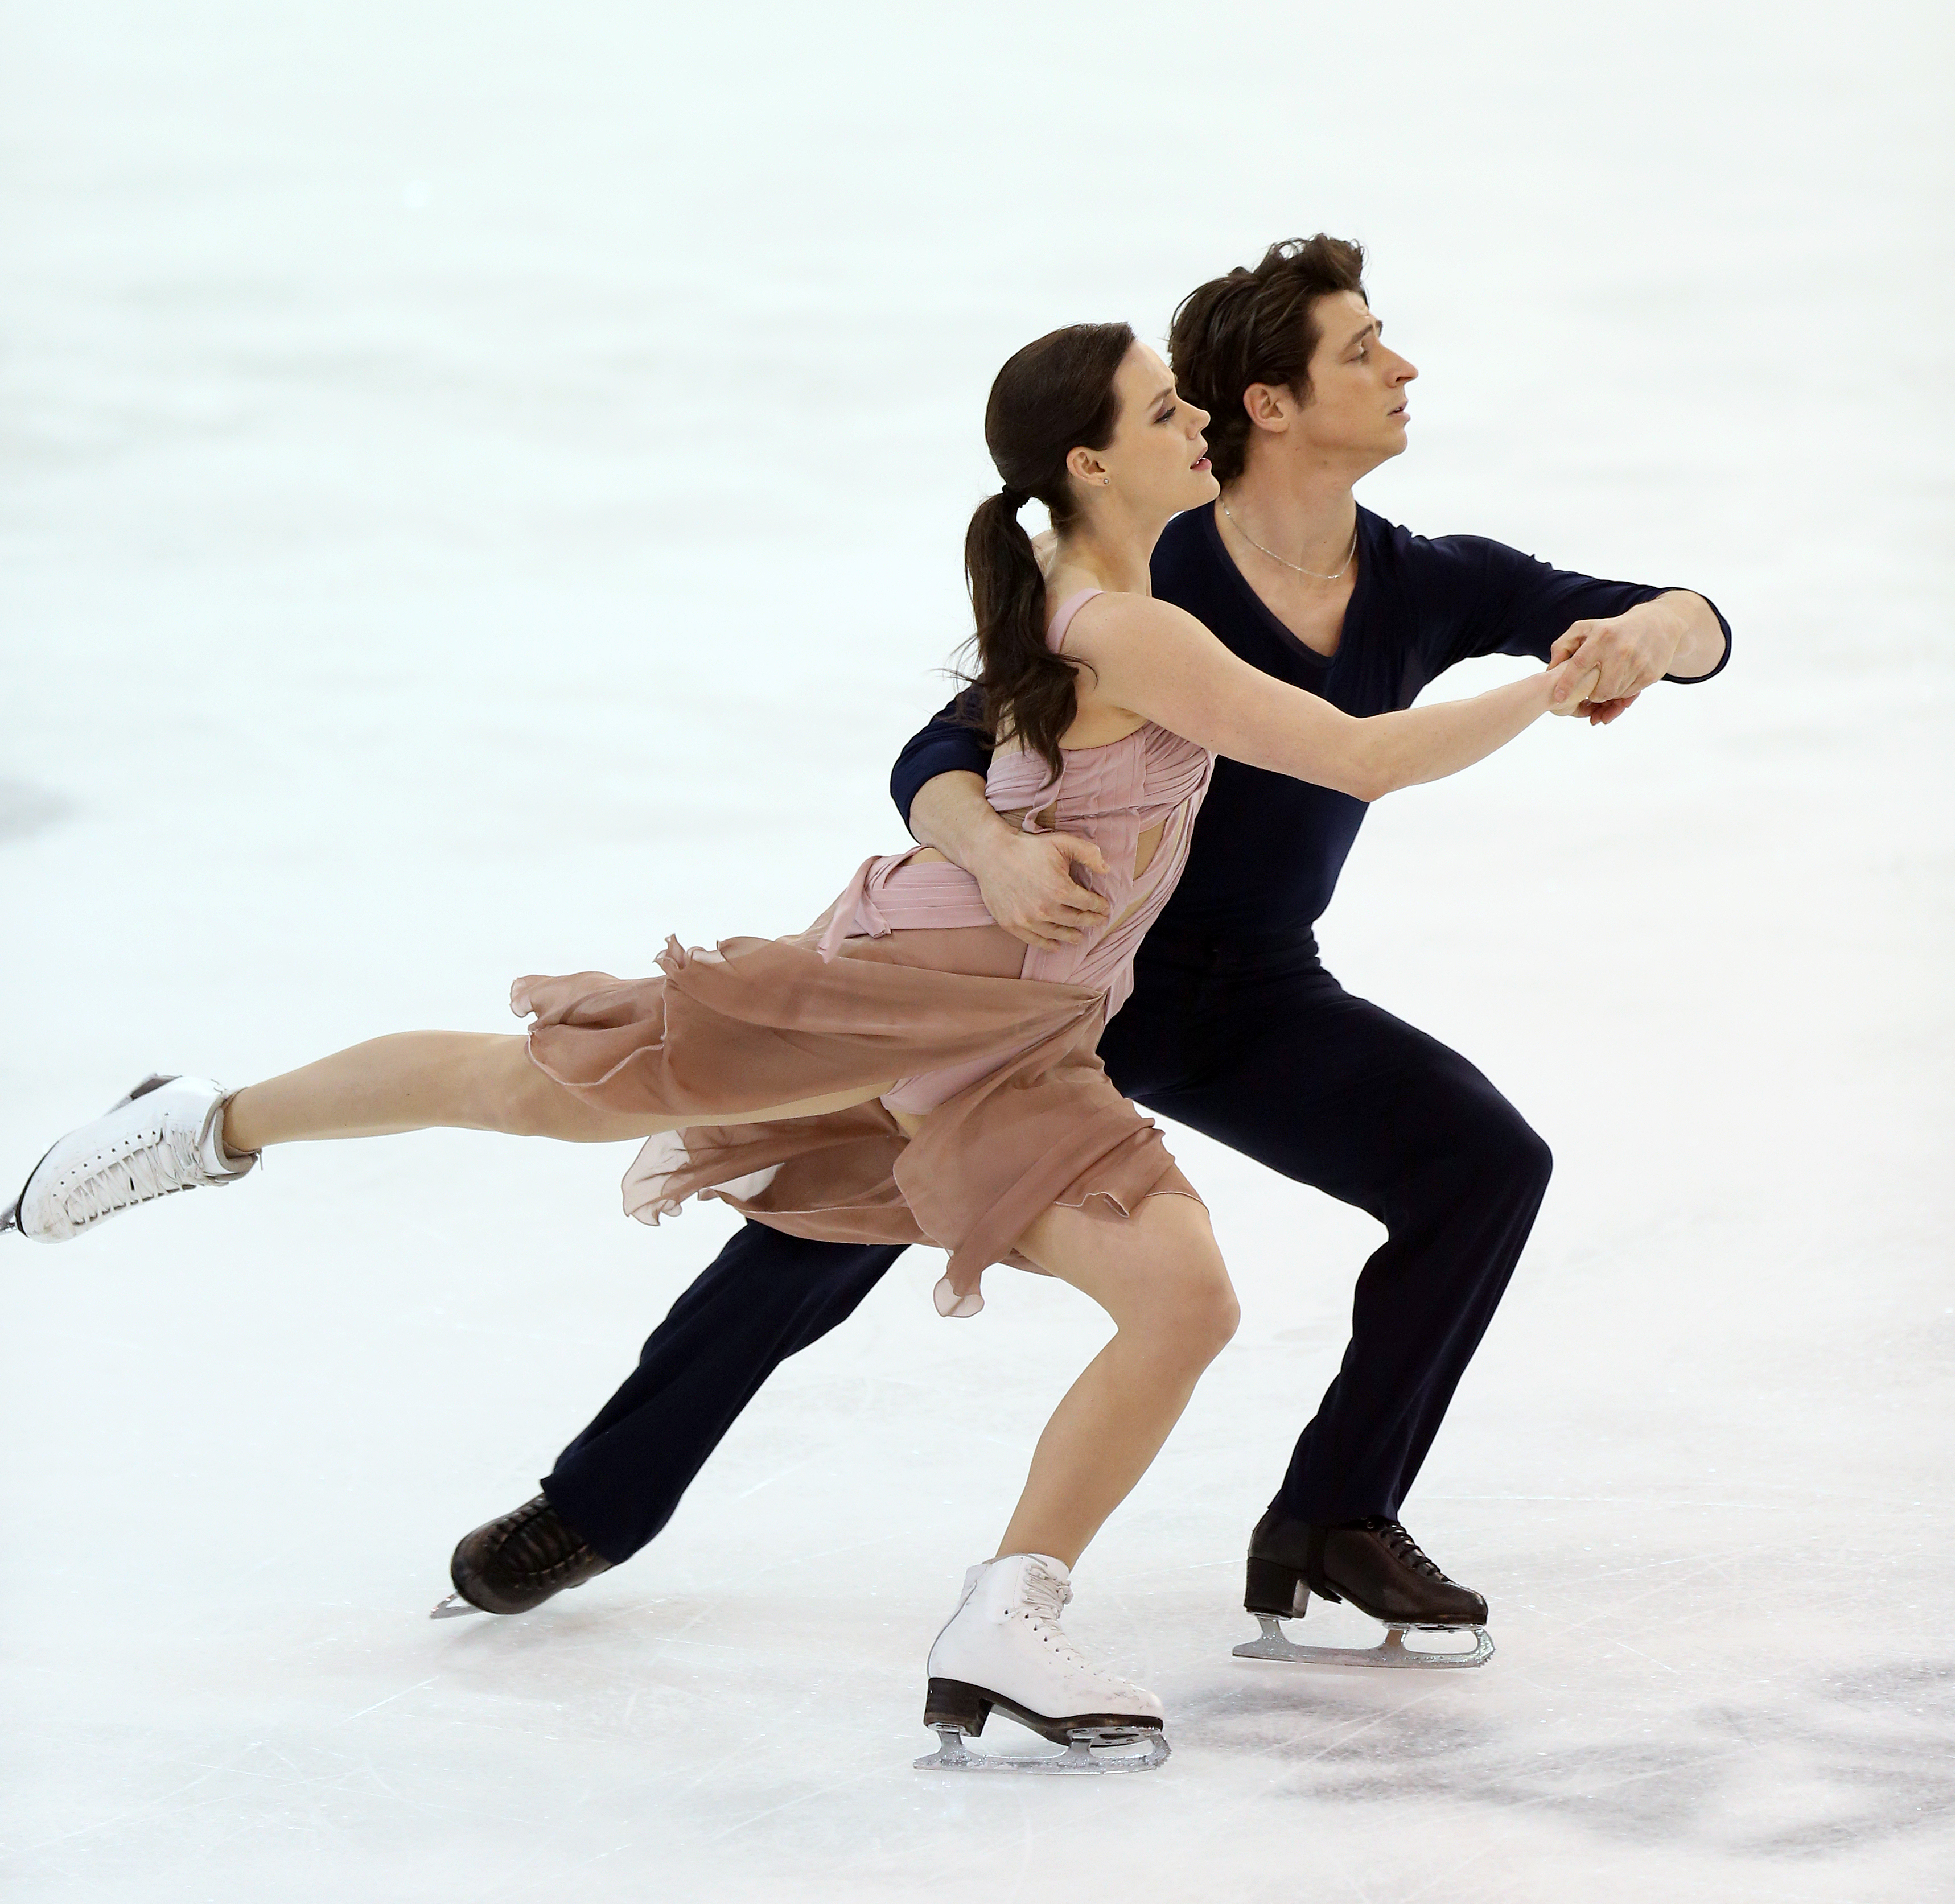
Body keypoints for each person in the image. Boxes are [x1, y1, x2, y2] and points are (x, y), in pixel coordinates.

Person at [5, 317, 1581, 1769]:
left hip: (1026, 1041)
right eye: (1164, 413)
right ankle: (202, 1124)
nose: (1192, 431)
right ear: (1090, 463)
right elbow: (1359, 757)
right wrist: (1556, 682)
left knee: (1178, 1294)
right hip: (891, 996)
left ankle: (1009, 1611)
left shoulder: (1103, 598)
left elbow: (999, 756)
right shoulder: (1131, 628)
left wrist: (998, 834)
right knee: (529, 1089)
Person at [439, 236, 1731, 1670]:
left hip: (1239, 990)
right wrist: (990, 849)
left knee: (1480, 1162)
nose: (1402, 365)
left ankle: (1333, 1514)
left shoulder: (1429, 585)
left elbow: (1685, 617)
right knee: (818, 1221)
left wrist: (1655, 635)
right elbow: (940, 748)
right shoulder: (1144, 563)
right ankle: (593, 1504)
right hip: (1033, 981)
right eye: (1363, 346)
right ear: (1268, 405)